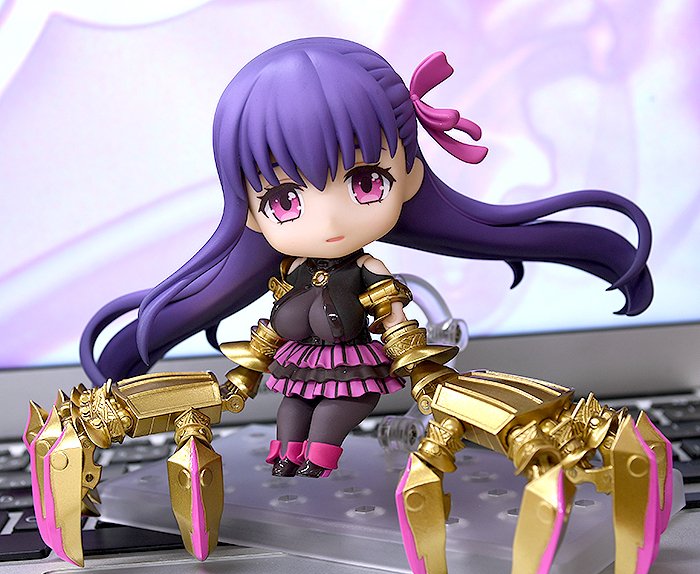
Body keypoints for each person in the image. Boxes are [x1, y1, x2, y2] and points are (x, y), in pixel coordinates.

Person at [80, 37, 653, 479]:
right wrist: (252, 362)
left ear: (410, 174)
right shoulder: (288, 273)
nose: (329, 222)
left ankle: (318, 455)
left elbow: (396, 325)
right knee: (291, 418)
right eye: (285, 200)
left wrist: (418, 369)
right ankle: (289, 455)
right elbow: (268, 332)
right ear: (249, 213)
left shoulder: (369, 272)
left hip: (355, 366)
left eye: (365, 182)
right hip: (296, 366)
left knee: (329, 421)